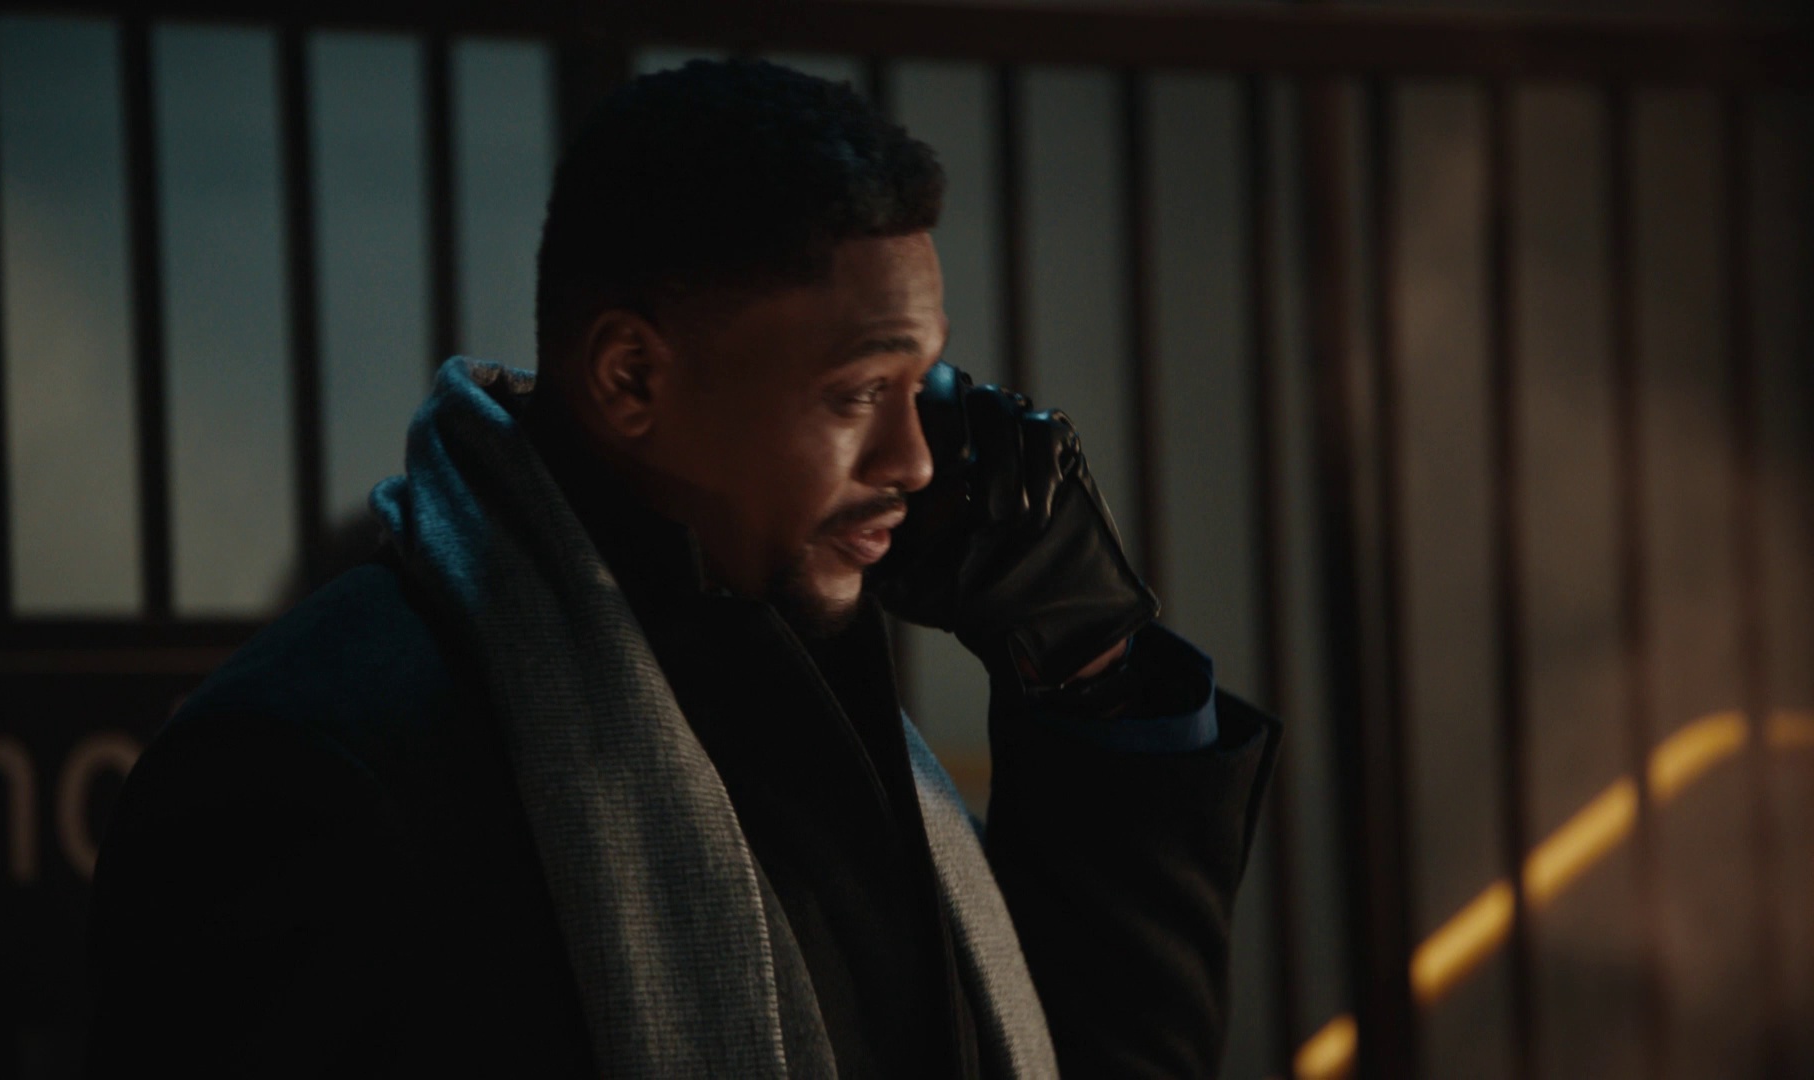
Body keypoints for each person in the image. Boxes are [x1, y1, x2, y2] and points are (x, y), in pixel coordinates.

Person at [85, 60, 1279, 1079]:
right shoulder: (313, 759)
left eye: (921, 387)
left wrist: (1089, 661)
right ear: (630, 379)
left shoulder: (814, 685)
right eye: (858, 393)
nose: (916, 459)